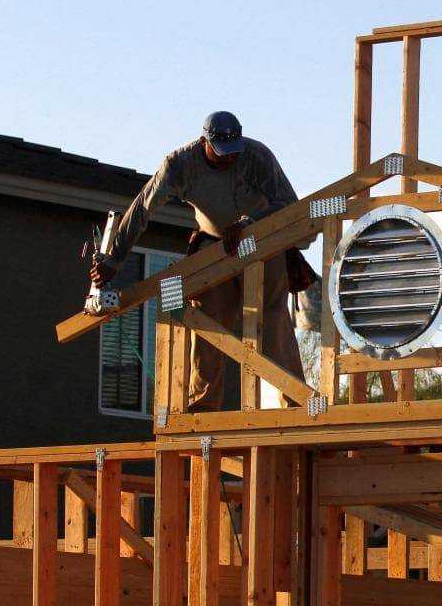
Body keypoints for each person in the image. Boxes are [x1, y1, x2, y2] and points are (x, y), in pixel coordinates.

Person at [88, 111, 311, 411]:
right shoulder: (180, 165)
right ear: (205, 142)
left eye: (233, 153)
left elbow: (289, 205)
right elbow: (142, 209)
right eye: (221, 153)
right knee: (208, 324)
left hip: (261, 242)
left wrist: (249, 224)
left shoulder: (256, 156)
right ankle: (203, 408)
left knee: (272, 320)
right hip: (215, 246)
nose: (229, 159)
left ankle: (296, 403)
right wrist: (114, 260)